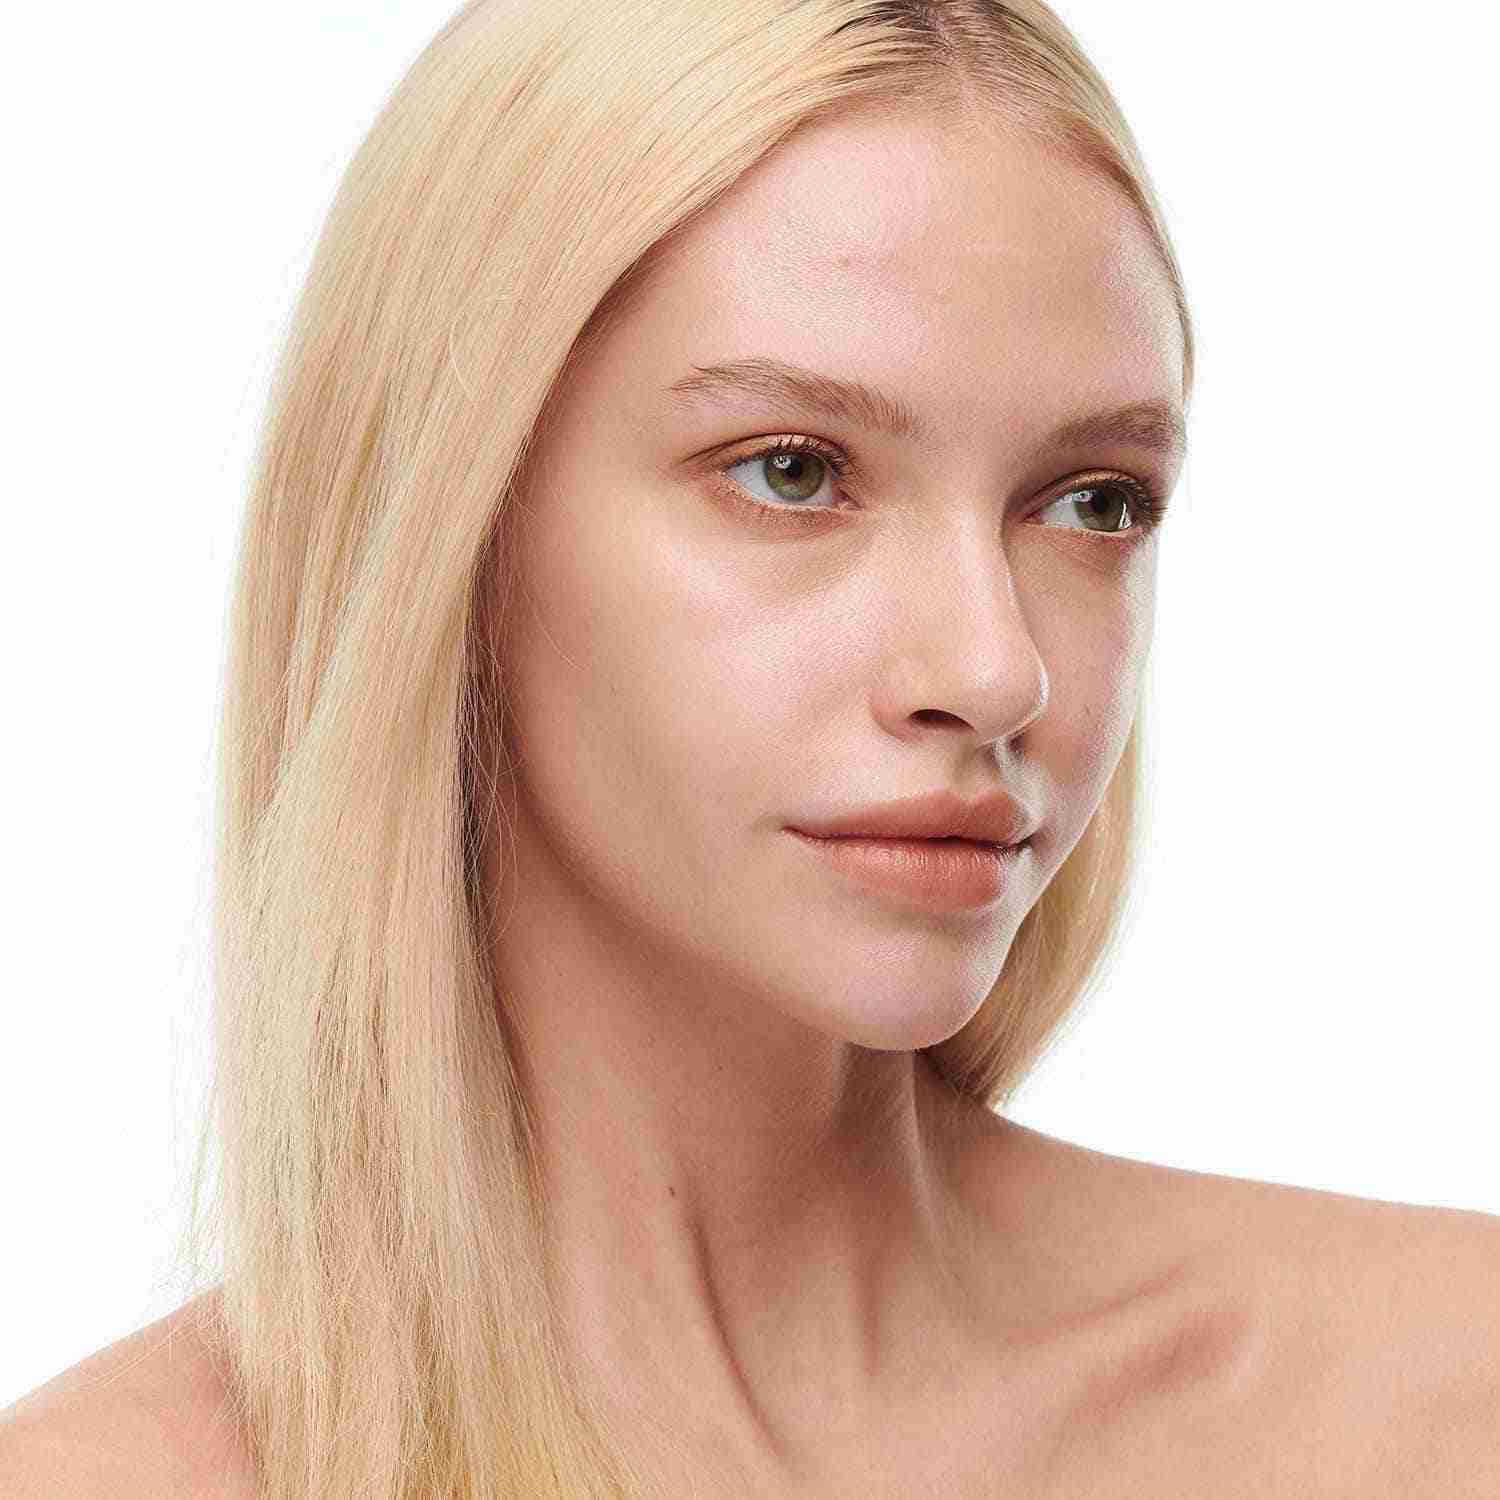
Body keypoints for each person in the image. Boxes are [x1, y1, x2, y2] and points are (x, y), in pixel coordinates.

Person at [3, 1, 1495, 1495]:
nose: (995, 669)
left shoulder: (1444, 1393)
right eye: (793, 472)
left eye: (1092, 500)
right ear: (451, 534)